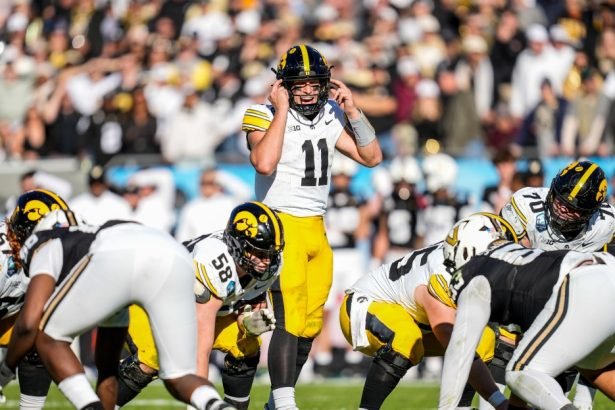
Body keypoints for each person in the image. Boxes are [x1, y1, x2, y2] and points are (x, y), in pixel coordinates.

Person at [241, 44, 382, 410]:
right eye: (298, 85)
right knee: (288, 316)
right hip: (282, 225)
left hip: (318, 228)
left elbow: (371, 157)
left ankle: (275, 403)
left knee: (310, 324)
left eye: (313, 84)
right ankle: (285, 402)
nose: (306, 91)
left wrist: (353, 111)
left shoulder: (331, 114)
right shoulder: (261, 113)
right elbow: (264, 163)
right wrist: (281, 111)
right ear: (283, 86)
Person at [0, 201, 232, 410]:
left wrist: (4, 372)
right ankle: (216, 405)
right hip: (175, 255)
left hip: (118, 263)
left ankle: (89, 406)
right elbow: (107, 370)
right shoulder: (89, 238)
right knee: (177, 377)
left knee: (47, 336)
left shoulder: (48, 240)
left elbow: (28, 325)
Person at [115, 201, 284, 410]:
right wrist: (199, 401)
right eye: (259, 253)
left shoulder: (268, 265)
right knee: (152, 358)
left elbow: (247, 302)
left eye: (270, 254)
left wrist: (247, 323)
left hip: (186, 313)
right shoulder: (214, 262)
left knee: (247, 344)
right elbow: (199, 349)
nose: (266, 261)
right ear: (238, 245)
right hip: (147, 299)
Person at [339, 213, 517, 409]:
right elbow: (458, 346)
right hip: (362, 306)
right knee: (406, 338)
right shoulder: (440, 276)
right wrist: (499, 401)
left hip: (412, 319)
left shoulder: (459, 258)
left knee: (484, 339)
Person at [435, 221, 615, 410]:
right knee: (594, 366)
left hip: (585, 284)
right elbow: (530, 358)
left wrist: (446, 408)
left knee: (519, 372)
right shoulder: (521, 261)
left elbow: (460, 350)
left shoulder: (475, 270)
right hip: (603, 269)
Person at [499, 159, 615, 408]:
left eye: (573, 209)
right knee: (501, 344)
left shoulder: (607, 224)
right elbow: (503, 259)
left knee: (582, 356)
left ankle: (581, 402)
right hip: (524, 291)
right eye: (560, 201)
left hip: (575, 301)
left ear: (592, 213)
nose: (562, 210)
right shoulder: (526, 205)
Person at [0, 189, 69, 409]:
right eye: (47, 236)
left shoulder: (44, 255)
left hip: (8, 318)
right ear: (25, 232)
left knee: (43, 332)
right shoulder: (3, 261)